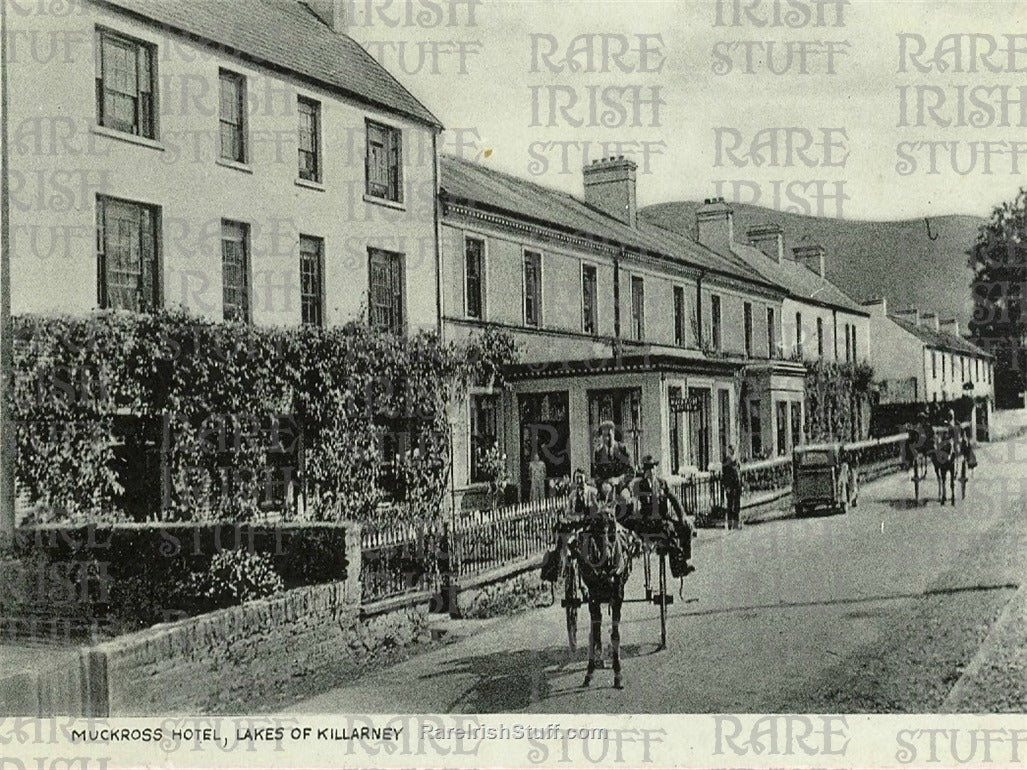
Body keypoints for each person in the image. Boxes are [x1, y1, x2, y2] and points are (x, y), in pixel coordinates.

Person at [627, 455, 696, 577]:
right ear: (644, 471)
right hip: (648, 523)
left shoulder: (661, 483)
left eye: (653, 468)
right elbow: (635, 508)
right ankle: (677, 569)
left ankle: (686, 560)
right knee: (669, 533)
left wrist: (683, 517)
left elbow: (674, 500)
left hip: (663, 519)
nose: (652, 471)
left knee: (685, 528)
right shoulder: (639, 486)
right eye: (648, 469)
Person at [592, 420, 633, 504]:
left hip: (622, 486)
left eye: (610, 435)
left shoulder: (623, 449)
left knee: (625, 499)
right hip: (606, 487)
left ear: (613, 434)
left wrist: (619, 479)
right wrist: (604, 483)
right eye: (604, 436)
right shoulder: (598, 453)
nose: (607, 439)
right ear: (600, 437)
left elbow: (631, 471)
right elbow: (596, 474)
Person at [722, 445, 742, 530]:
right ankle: (730, 524)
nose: (732, 451)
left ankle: (736, 524)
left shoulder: (736, 460)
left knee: (737, 505)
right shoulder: (727, 461)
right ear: (728, 450)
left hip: (737, 486)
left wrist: (741, 484)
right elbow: (725, 475)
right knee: (730, 505)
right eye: (731, 450)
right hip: (730, 486)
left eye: (733, 449)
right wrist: (726, 486)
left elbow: (739, 473)